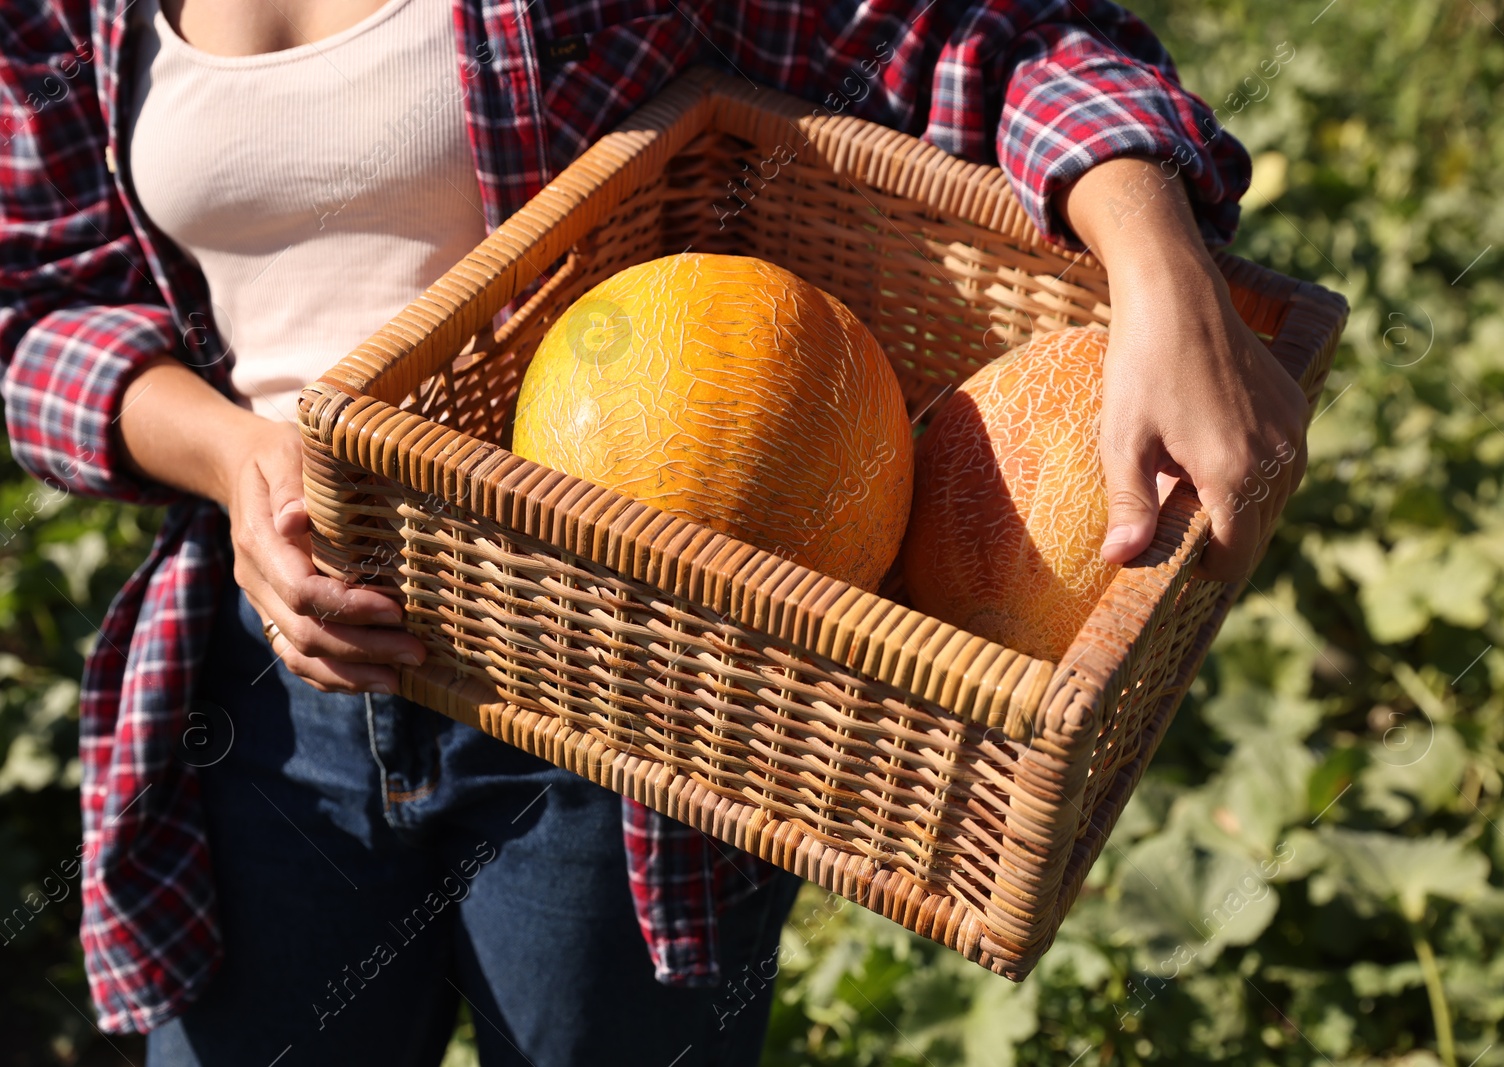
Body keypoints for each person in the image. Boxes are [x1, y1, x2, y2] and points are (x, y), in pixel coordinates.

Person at [0, 0, 1308, 1063]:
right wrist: (240, 458)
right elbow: (41, 304)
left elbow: (989, 36)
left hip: (631, 698)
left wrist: (1162, 274)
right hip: (278, 671)